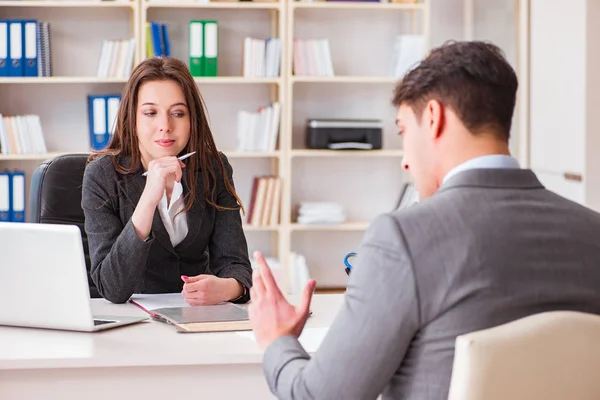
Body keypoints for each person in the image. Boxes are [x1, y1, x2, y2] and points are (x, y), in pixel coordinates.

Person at [247, 41, 600, 399]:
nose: (404, 161)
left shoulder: (403, 237)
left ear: (434, 117)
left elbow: (318, 396)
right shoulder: (594, 232)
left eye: (402, 130)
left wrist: (277, 339)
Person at [82, 57, 252, 305]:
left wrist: (228, 288)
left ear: (192, 119)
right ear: (133, 119)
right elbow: (112, 288)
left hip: (198, 317)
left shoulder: (214, 167)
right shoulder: (101, 175)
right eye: (150, 112)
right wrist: (149, 198)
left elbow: (235, 264)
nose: (165, 126)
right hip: (134, 320)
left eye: (178, 113)